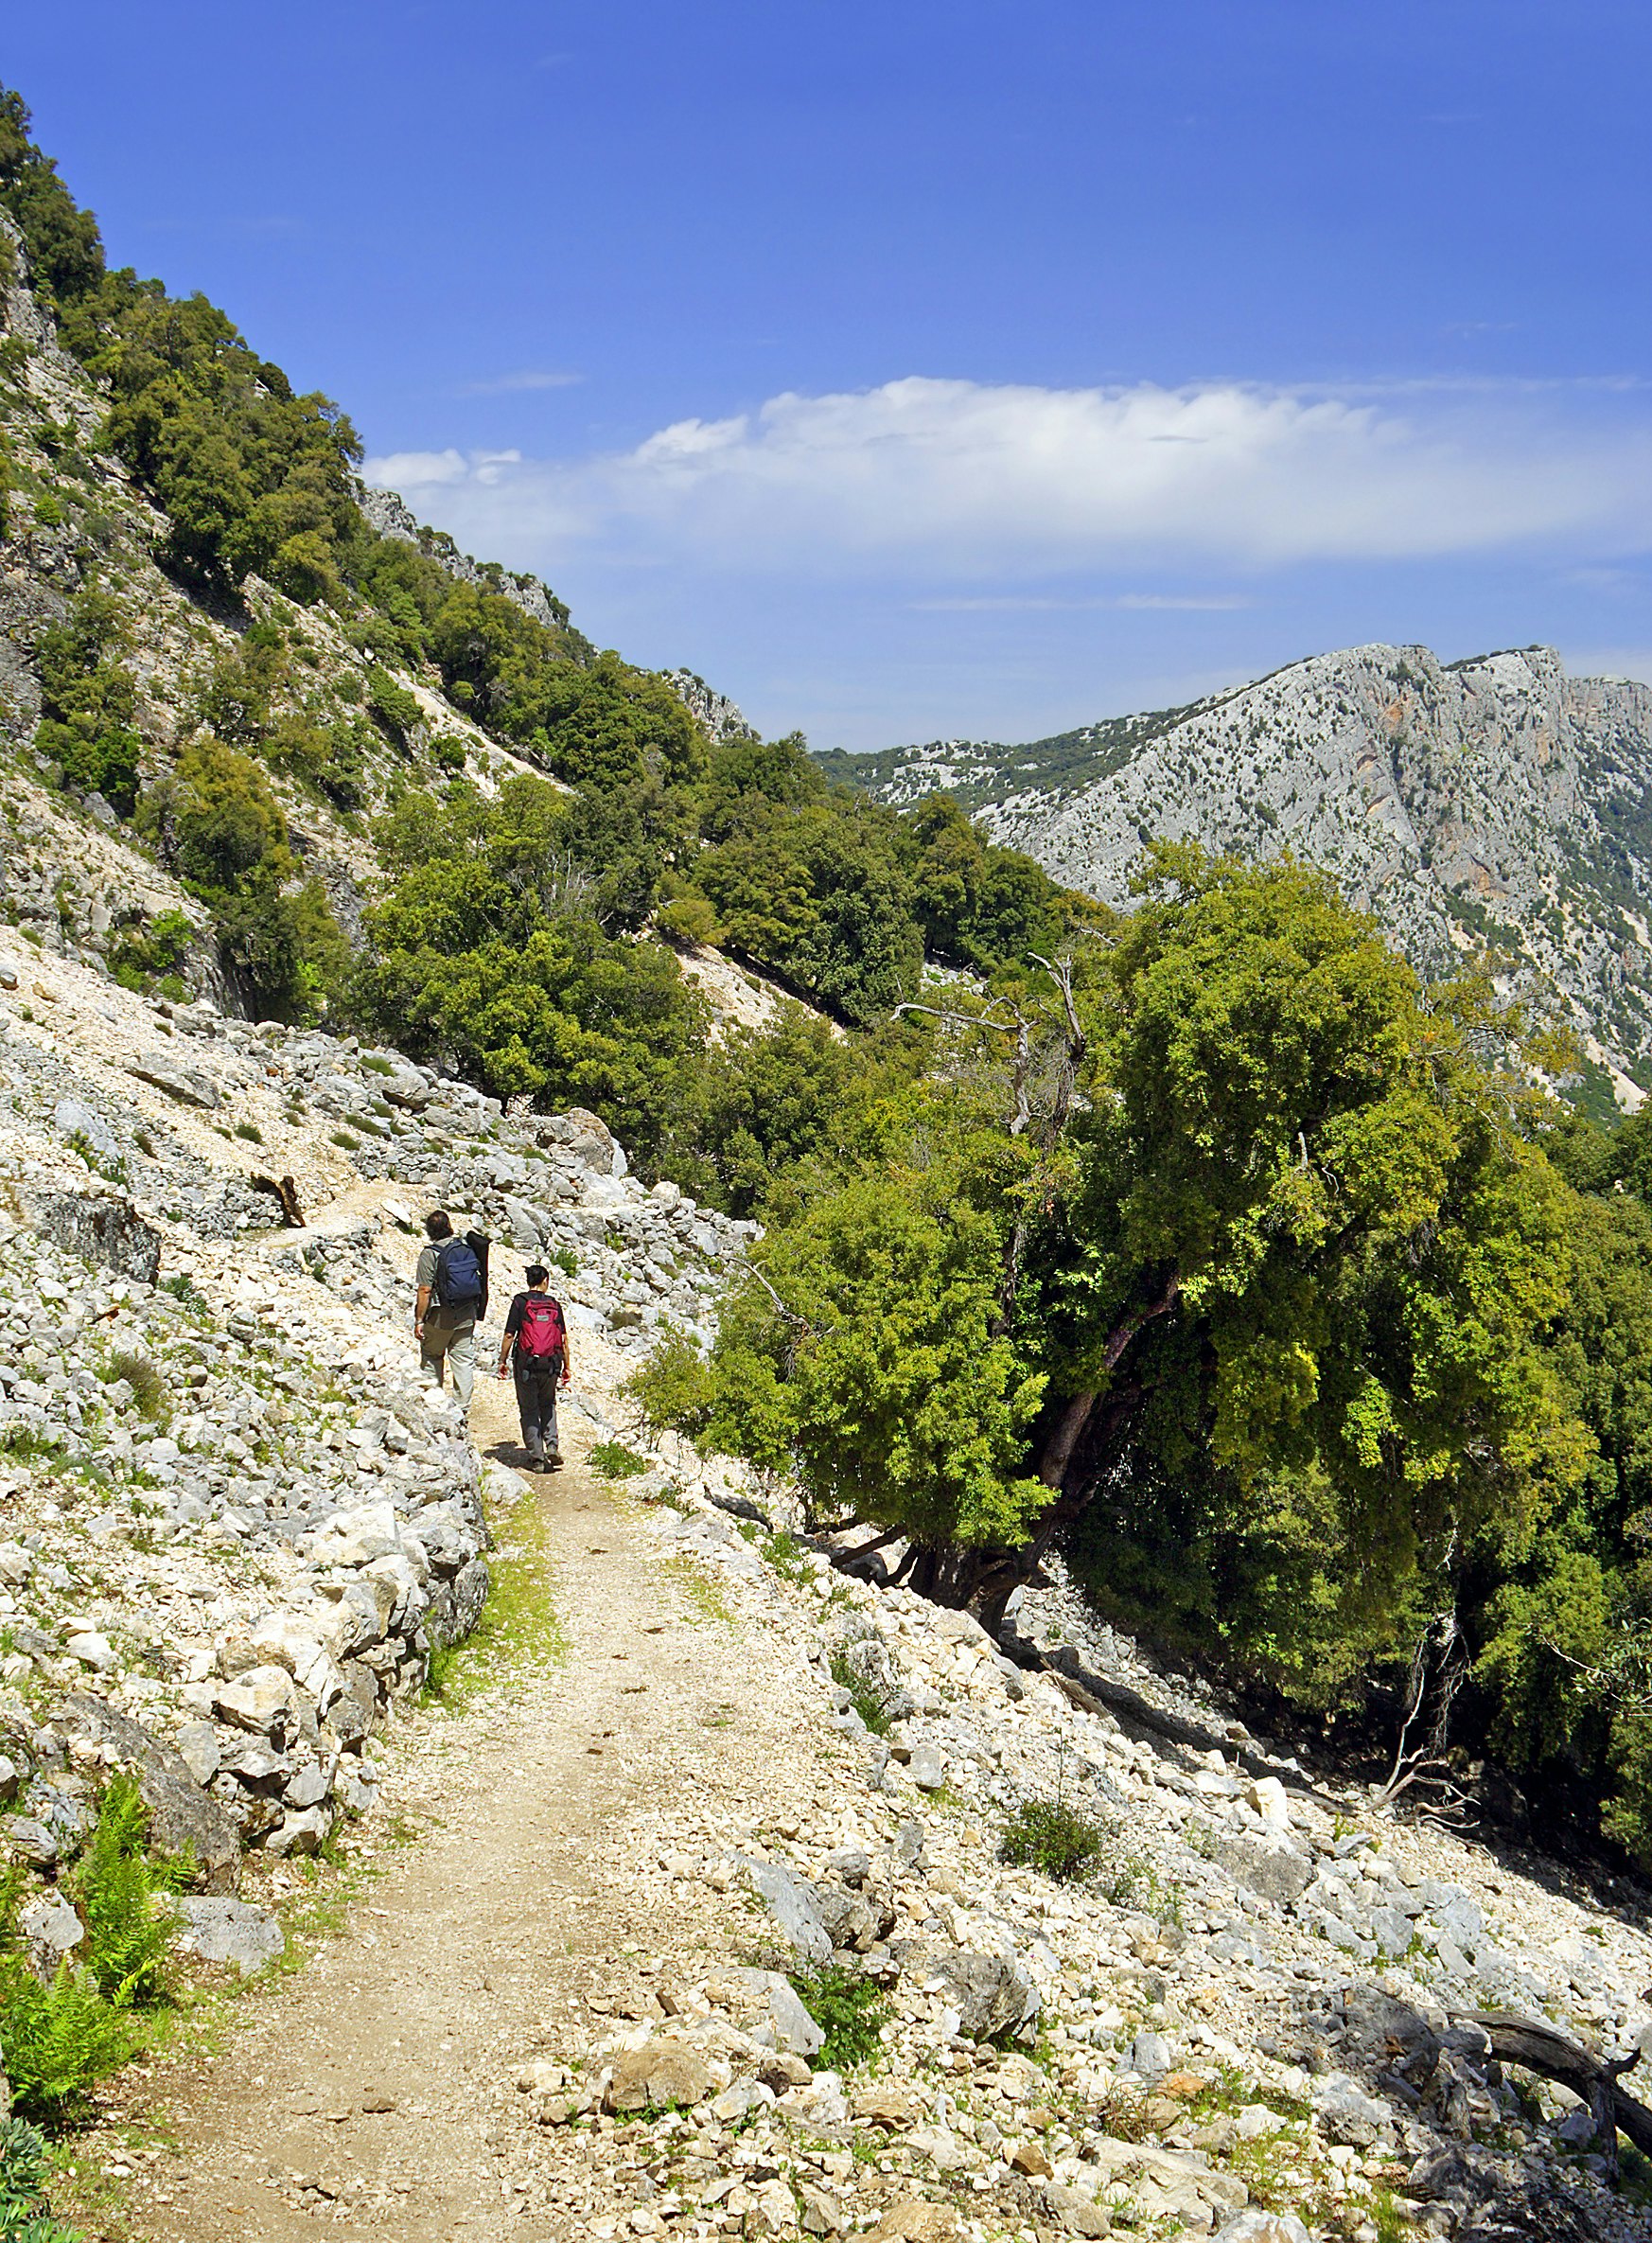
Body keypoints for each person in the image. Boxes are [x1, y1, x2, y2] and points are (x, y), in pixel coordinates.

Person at [497, 1263, 571, 1471]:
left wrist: (502, 1360)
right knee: (548, 1403)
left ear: (528, 1281)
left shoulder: (520, 1302)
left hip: (527, 1364)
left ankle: (537, 1458)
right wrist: (567, 1366)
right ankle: (552, 1445)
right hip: (551, 1363)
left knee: (529, 1408)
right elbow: (563, 1339)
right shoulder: (554, 1304)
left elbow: (510, 1334)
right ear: (545, 1281)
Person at [414, 1210, 486, 1408]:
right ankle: (462, 1407)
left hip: (440, 1318)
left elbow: (425, 1289)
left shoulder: (430, 1254)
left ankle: (433, 1403)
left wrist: (420, 1320)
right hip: (467, 1314)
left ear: (430, 1231)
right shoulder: (464, 1247)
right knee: (463, 1360)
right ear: (449, 1227)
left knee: (432, 1356)